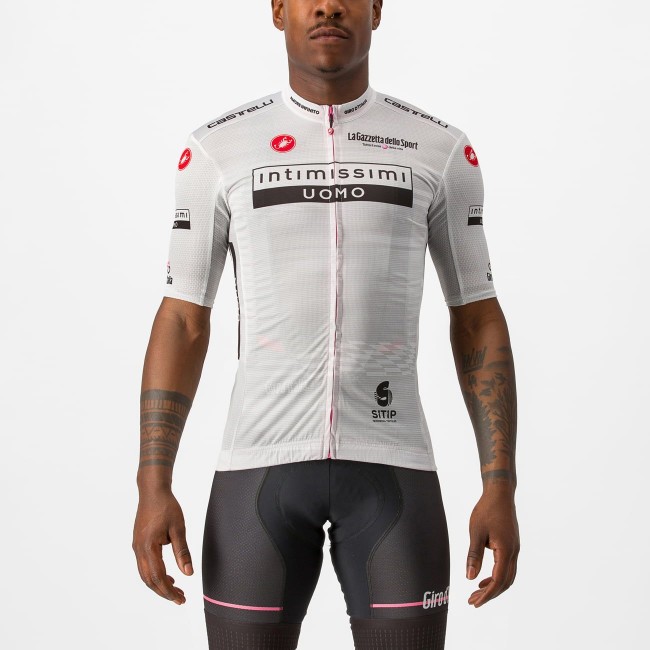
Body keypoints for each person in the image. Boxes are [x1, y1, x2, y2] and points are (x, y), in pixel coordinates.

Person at [132, 1, 520, 648]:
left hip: (394, 470)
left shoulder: (442, 150)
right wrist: (153, 485)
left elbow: (477, 316)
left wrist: (499, 486)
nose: (329, 6)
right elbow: (182, 320)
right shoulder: (217, 150)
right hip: (257, 471)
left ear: (377, 9)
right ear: (278, 10)